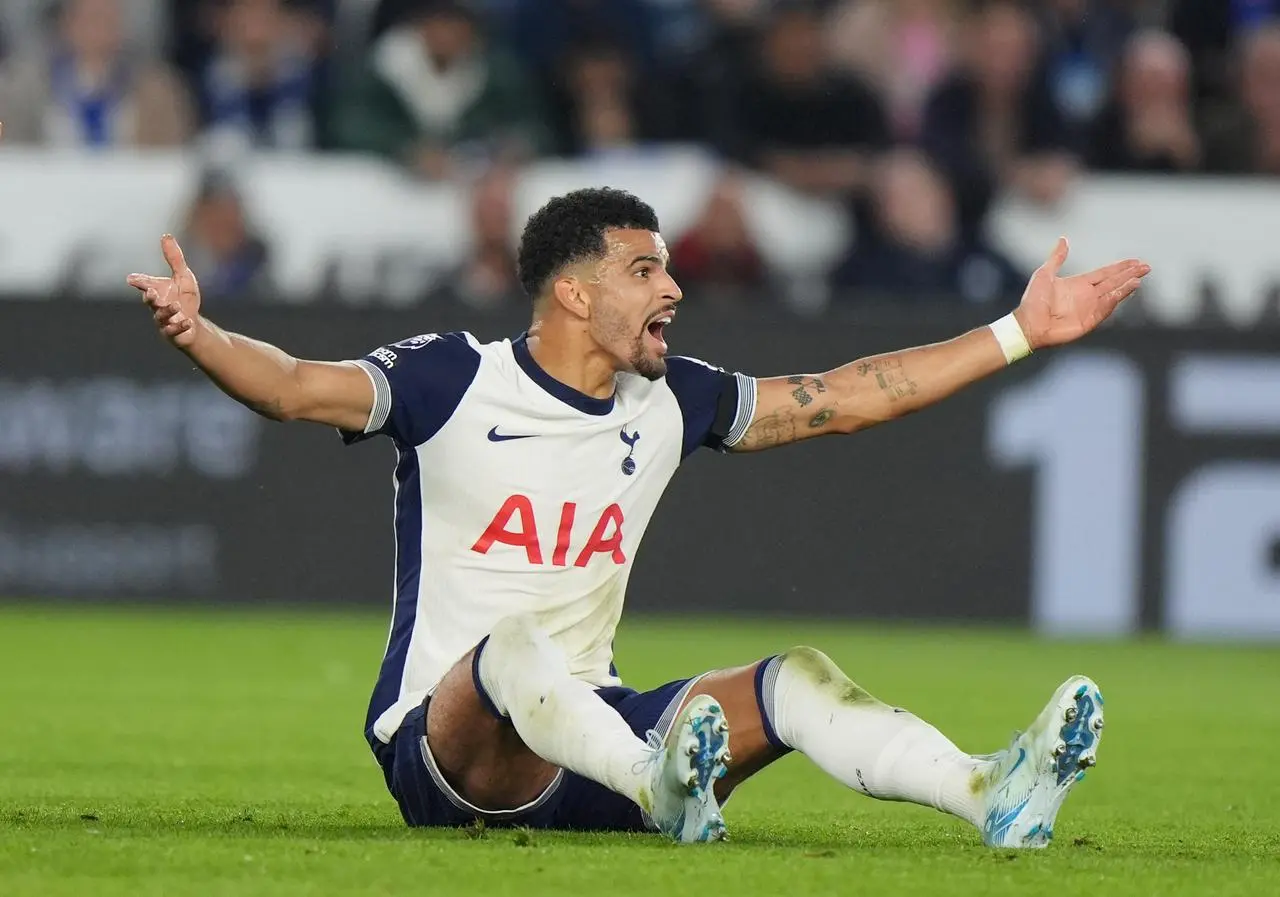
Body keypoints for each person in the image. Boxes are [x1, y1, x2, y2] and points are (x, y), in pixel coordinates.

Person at [126, 187, 1145, 846]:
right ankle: (658, 781)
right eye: (644, 269)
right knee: (512, 646)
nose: (674, 284)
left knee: (790, 681)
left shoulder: (673, 398)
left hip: (593, 738)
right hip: (452, 752)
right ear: (571, 294)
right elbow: (296, 387)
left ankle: (988, 793)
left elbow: (851, 393)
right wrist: (198, 329)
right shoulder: (451, 380)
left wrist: (1020, 330)